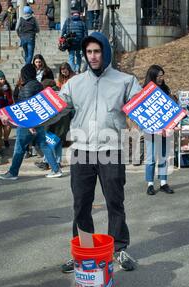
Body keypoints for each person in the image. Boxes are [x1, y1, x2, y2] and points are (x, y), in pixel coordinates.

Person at [59, 32, 141, 273]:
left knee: (115, 202)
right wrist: (34, 120)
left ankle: (119, 248)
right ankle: (83, 251)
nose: (93, 56)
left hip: (110, 149)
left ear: (105, 52)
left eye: (97, 51)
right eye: (89, 52)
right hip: (82, 150)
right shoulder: (75, 83)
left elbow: (142, 106)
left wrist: (163, 124)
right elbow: (57, 107)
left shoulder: (125, 81)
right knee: (81, 204)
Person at [0, 64, 62, 180]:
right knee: (44, 145)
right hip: (39, 122)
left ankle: (13, 172)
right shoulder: (38, 84)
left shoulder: (27, 87)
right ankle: (56, 169)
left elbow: (27, 108)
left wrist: (29, 125)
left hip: (27, 124)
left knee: (19, 148)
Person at [142, 65, 175, 196]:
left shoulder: (166, 89)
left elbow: (172, 107)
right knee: (150, 158)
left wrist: (174, 99)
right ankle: (150, 184)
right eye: (159, 75)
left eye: (162, 75)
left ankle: (163, 182)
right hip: (150, 130)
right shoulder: (145, 91)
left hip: (164, 130)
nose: (161, 78)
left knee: (163, 157)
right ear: (152, 76)